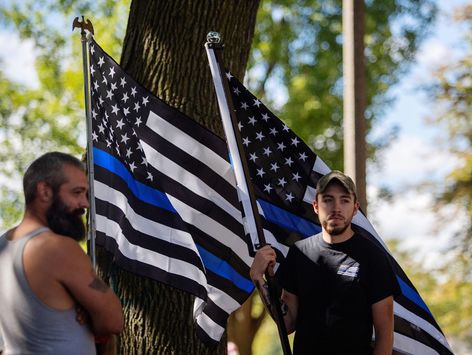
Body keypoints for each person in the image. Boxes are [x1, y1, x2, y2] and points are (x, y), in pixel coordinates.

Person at [250, 170, 400, 355]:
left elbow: (385, 335)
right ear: (316, 206)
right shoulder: (299, 253)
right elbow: (287, 323)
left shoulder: (373, 257)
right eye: (328, 200)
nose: (336, 207)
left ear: (355, 208)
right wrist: (258, 278)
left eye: (344, 200)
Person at [0, 152, 123, 355]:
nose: (85, 204)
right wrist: (91, 314)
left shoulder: (4, 246)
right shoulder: (55, 247)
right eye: (77, 193)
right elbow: (113, 321)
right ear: (45, 191)